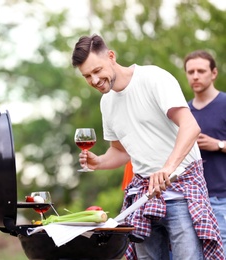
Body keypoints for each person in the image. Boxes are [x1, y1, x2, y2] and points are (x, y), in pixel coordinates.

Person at [71, 34, 224, 259]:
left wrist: (167, 168)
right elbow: (121, 151)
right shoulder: (107, 103)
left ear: (111, 56)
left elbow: (190, 127)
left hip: (181, 193)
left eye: (97, 71)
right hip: (144, 196)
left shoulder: (153, 78)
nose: (94, 80)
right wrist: (99, 161)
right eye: (87, 76)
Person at [184, 50, 226, 255]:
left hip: (221, 199)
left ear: (214, 73)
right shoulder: (184, 112)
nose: (195, 76)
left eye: (201, 71)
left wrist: (218, 145)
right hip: (190, 202)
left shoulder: (225, 104)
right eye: (190, 71)